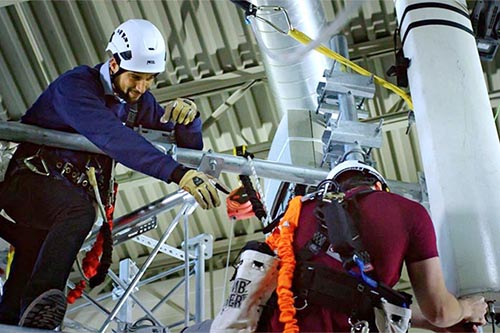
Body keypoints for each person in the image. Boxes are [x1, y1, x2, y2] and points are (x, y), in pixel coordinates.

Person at [0, 18, 226, 330]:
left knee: (32, 257)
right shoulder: (76, 87)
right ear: (114, 62)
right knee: (78, 213)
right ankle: (43, 302)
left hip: (56, 205)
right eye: (136, 77)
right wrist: (177, 174)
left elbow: (187, 146)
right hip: (29, 185)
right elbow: (112, 138)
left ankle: (19, 319)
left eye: (150, 79)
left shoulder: (138, 102)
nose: (142, 87)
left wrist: (190, 119)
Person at [257, 159, 488, 332]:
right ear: (378, 186)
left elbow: (344, 296)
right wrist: (468, 309)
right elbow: (440, 311)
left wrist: (435, 323)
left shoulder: (298, 213)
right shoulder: (407, 211)